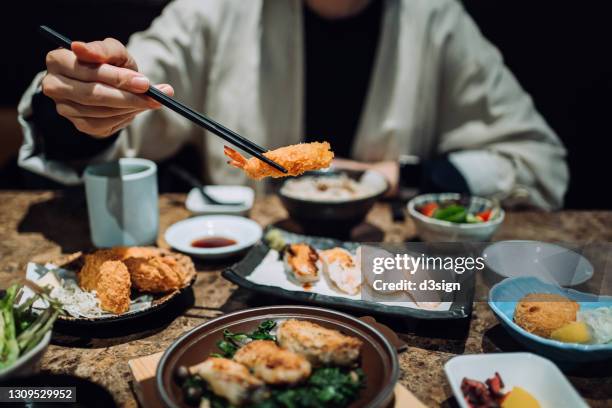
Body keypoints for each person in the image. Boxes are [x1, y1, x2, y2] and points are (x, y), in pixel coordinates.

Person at [17, 0, 568, 209]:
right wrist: (83, 102)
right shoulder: (214, 11)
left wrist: (394, 175)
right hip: (242, 264)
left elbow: (540, 166)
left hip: (393, 272)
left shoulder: (435, 20)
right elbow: (129, 101)